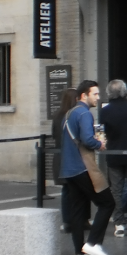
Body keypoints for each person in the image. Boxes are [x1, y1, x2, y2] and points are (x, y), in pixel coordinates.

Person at [59, 80, 116, 255]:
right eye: (95, 94)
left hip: (69, 169)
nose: (98, 98)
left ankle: (79, 253)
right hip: (83, 166)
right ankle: (93, 243)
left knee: (77, 210)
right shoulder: (84, 113)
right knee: (107, 203)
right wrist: (99, 143)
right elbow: (87, 139)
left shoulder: (69, 113)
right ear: (84, 95)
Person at [99, 79, 127, 238]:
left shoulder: (105, 111)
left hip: (113, 154)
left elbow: (102, 133)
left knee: (116, 190)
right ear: (125, 91)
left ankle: (118, 223)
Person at [51, 88, 78, 232]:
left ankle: (68, 221)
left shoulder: (57, 115)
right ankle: (76, 220)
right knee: (74, 190)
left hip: (60, 156)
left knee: (67, 191)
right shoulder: (74, 115)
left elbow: (54, 134)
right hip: (71, 156)